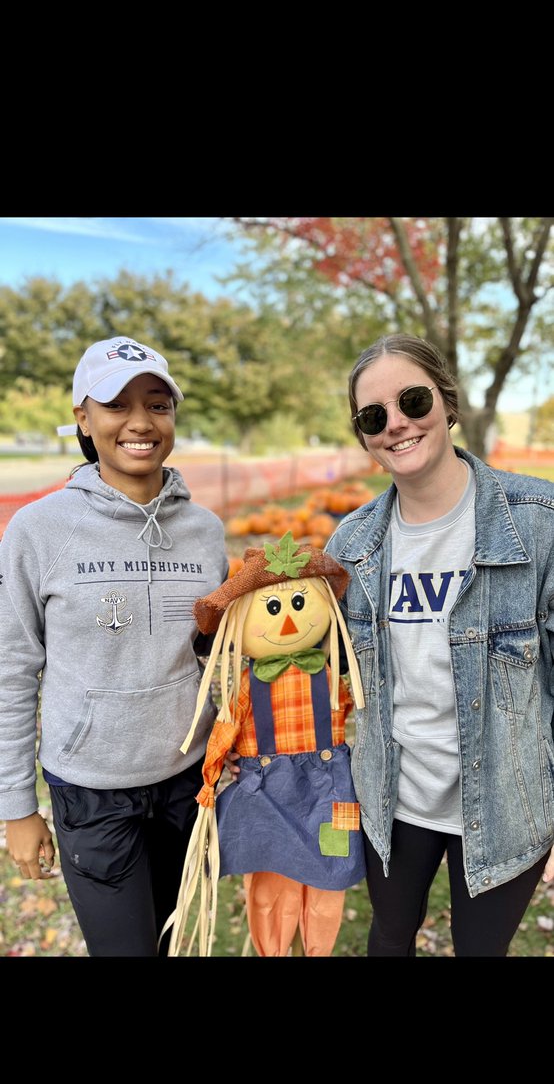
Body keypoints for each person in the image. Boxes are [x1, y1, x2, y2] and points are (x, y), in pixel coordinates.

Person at [326, 333, 554, 957]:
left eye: (413, 400)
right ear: (365, 436)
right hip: (393, 799)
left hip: (508, 802)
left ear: (446, 402)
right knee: (390, 935)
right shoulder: (350, 546)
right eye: (374, 417)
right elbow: (320, 668)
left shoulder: (538, 521)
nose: (396, 424)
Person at [0, 336, 228, 956]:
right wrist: (16, 808)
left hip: (191, 781)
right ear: (83, 417)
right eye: (115, 405)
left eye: (157, 404)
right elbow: (12, 671)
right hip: (92, 789)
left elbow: (214, 653)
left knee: (175, 941)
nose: (139, 422)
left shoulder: (205, 531)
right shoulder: (37, 530)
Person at [165, 532, 366, 957]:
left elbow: (351, 708)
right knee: (272, 885)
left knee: (330, 878)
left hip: (330, 795)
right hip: (267, 796)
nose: (290, 621)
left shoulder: (329, 675)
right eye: (273, 608)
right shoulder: (246, 687)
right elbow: (224, 732)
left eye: (298, 603)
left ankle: (317, 951)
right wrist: (210, 778)